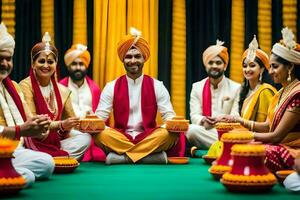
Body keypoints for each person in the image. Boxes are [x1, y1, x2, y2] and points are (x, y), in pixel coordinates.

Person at [94, 28, 179, 164]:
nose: (133, 61)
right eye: (128, 56)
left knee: (170, 134)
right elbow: (99, 118)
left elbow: (169, 116)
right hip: (120, 136)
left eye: (137, 56)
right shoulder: (111, 87)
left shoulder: (157, 86)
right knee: (99, 134)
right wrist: (89, 124)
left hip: (149, 136)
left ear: (144, 58)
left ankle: (123, 158)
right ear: (123, 59)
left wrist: (173, 125)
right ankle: (149, 157)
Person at [19, 32, 91, 161]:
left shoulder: (62, 90)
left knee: (84, 139)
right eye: (41, 61)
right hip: (32, 138)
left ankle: (48, 159)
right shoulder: (25, 86)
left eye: (50, 62)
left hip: (55, 139)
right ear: (33, 63)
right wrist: (61, 125)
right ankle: (53, 159)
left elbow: (71, 121)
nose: (46, 65)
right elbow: (33, 123)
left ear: (55, 64)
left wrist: (90, 124)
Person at [236, 27, 300, 171]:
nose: (270, 72)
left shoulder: (297, 93)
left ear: (289, 67)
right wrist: (239, 123)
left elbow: (276, 136)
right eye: (270, 67)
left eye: (275, 67)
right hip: (278, 145)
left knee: (252, 151)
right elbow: (268, 126)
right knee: (240, 147)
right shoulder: (281, 92)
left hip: (292, 149)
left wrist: (247, 136)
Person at [0, 23, 54, 187]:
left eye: (8, 59)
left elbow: (29, 121)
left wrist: (39, 127)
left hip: (13, 150)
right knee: (27, 177)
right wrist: (20, 130)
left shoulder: (13, 87)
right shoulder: (25, 85)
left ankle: (7, 170)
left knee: (46, 164)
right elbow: (22, 129)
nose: (4, 63)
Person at [208, 36, 277, 158]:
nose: (247, 69)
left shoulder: (265, 91)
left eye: (252, 65)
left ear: (261, 69)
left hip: (258, 140)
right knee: (218, 145)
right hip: (245, 136)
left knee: (223, 148)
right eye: (245, 66)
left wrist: (238, 121)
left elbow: (266, 128)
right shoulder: (245, 91)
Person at [186, 40, 240, 150]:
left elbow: (236, 116)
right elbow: (194, 115)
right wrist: (203, 120)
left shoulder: (236, 88)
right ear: (206, 66)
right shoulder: (197, 87)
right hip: (205, 130)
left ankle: (219, 147)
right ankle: (225, 147)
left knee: (237, 135)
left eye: (218, 63)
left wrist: (222, 120)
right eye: (210, 63)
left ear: (225, 66)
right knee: (190, 130)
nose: (214, 66)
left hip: (228, 131)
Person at [60, 44, 105, 162]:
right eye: (74, 64)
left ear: (86, 66)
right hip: (69, 133)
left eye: (81, 64)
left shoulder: (94, 88)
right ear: (69, 67)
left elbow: (102, 117)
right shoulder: (60, 87)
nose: (78, 67)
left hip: (92, 132)